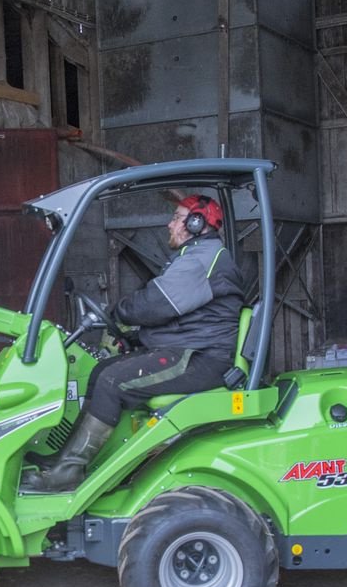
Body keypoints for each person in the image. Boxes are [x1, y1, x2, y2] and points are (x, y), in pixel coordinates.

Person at [23, 194, 250, 494]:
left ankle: (69, 472)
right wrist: (135, 337)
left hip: (201, 358)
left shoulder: (203, 259)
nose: (170, 224)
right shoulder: (196, 257)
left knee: (112, 381)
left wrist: (117, 312)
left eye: (177, 217)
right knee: (101, 370)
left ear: (196, 224)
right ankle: (72, 460)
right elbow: (181, 318)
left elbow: (156, 304)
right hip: (189, 349)